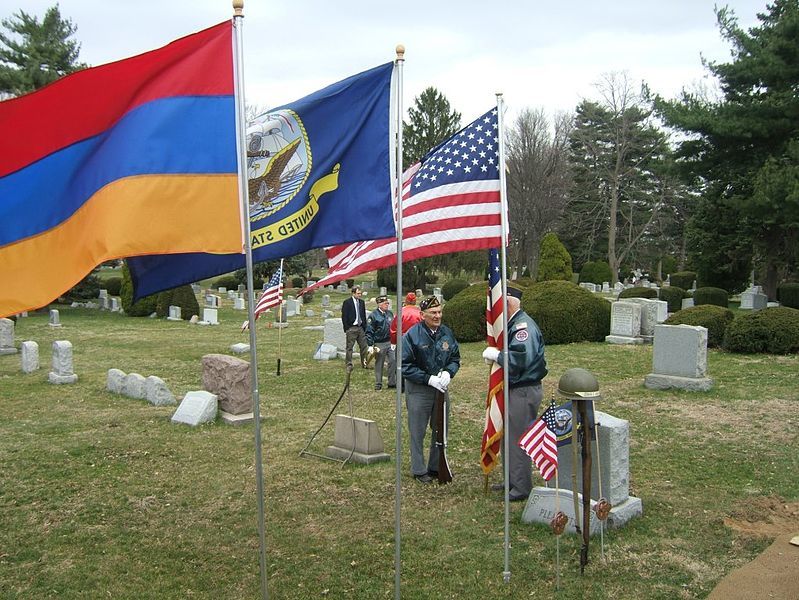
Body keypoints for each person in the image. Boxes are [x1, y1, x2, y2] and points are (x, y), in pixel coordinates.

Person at [482, 285, 547, 502]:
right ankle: (512, 481)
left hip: (523, 389)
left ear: (508, 303)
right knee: (509, 438)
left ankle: (521, 488)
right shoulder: (514, 324)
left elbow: (520, 359)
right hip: (516, 388)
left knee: (518, 439)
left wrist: (498, 356)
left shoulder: (522, 327)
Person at [402, 296, 460, 484]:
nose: (437, 316)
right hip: (419, 389)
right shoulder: (412, 335)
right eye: (433, 313)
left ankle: (436, 466)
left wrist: (449, 373)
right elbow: (405, 365)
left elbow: (454, 357)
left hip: (441, 388)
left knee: (440, 429)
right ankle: (419, 470)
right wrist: (428, 379)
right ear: (422, 315)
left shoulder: (446, 333)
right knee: (417, 430)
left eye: (439, 312)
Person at [365, 295, 396, 390]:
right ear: (379, 304)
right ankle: (378, 383)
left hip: (390, 342)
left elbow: (393, 327)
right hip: (379, 343)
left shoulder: (390, 314)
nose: (387, 305)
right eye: (385, 303)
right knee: (379, 363)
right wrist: (370, 344)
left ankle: (391, 382)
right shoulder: (373, 315)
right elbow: (369, 330)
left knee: (393, 360)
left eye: (387, 303)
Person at [341, 285, 369, 368]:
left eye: (360, 293)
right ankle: (349, 363)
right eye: (358, 293)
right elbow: (344, 316)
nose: (359, 295)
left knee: (364, 346)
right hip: (351, 328)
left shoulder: (361, 302)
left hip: (360, 327)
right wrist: (347, 328)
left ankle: (364, 363)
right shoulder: (347, 302)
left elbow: (363, 315)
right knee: (350, 347)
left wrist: (364, 327)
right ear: (353, 293)